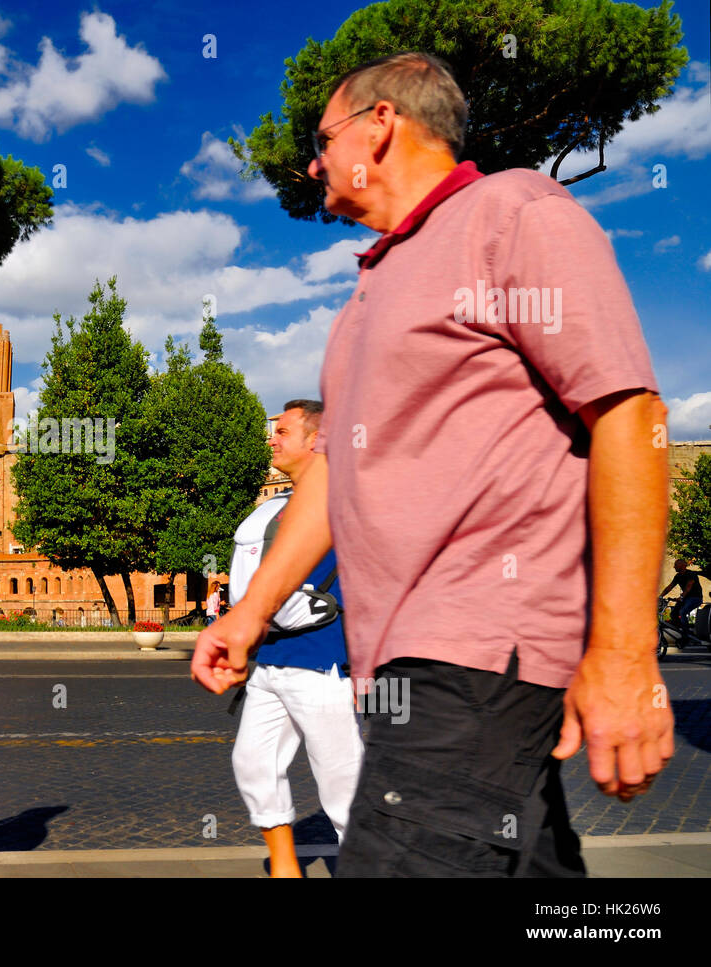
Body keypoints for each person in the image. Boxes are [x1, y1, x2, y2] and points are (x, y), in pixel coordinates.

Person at [193, 51, 672, 877]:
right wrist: (250, 613)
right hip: (398, 670)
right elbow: (334, 476)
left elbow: (629, 414)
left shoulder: (514, 212)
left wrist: (625, 655)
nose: (311, 163)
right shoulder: (366, 298)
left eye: (321, 137)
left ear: (381, 126)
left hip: (475, 654)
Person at [229, 401, 363, 877]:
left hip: (323, 662)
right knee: (253, 763)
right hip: (269, 660)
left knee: (341, 782)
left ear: (316, 440)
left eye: (282, 431)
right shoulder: (273, 508)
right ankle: (286, 868)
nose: (272, 438)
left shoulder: (347, 504)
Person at [661, 560, 704, 643]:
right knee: (673, 614)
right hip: (685, 598)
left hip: (695, 598)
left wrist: (681, 597)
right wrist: (660, 596)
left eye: (676, 565)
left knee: (682, 612)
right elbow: (670, 587)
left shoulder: (691, 574)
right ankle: (686, 631)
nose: (674, 567)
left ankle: (686, 634)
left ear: (683, 565)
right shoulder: (678, 576)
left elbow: (688, 587)